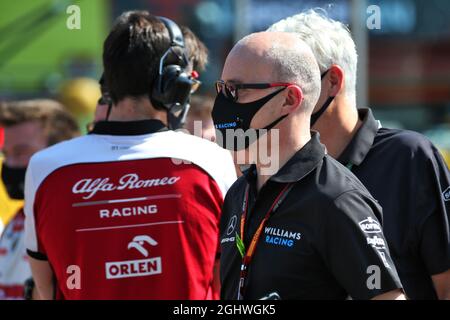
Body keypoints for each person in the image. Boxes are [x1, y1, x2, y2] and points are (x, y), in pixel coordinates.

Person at [25, 11, 236, 300]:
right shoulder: (211, 160)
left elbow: (44, 288)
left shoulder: (46, 166)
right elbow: (228, 283)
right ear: (172, 82)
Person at [268, 10, 450, 299]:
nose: (274, 100)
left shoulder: (410, 158)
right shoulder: (271, 171)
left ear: (332, 82)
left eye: (285, 83)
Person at [212, 31, 404, 300]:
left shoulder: (336, 199)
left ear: (289, 99)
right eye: (222, 89)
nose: (223, 103)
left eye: (236, 90)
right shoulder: (238, 193)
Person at [0, 99, 79, 299]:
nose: (9, 163)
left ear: (60, 150)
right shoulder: (22, 214)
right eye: (6, 154)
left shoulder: (72, 218)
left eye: (20, 152)